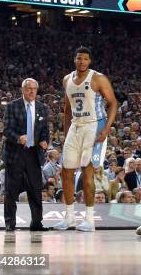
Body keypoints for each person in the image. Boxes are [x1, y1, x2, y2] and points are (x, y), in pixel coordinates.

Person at [53, 47, 118, 232]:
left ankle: (89, 220)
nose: (82, 61)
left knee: (87, 174)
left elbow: (113, 102)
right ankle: (69, 218)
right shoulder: (67, 79)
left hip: (94, 125)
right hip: (75, 126)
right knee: (66, 172)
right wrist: (66, 134)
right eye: (79, 58)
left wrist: (106, 129)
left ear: (90, 61)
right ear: (74, 59)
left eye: (85, 59)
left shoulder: (98, 78)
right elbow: (67, 109)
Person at [3, 78, 50, 231]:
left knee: (35, 189)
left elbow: (45, 130)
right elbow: (7, 130)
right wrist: (18, 138)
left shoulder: (43, 108)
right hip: (15, 153)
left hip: (33, 153)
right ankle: (10, 223)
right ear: (23, 90)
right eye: (28, 88)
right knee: (11, 190)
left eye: (34, 88)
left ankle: (36, 223)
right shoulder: (12, 106)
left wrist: (44, 140)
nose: (31, 91)